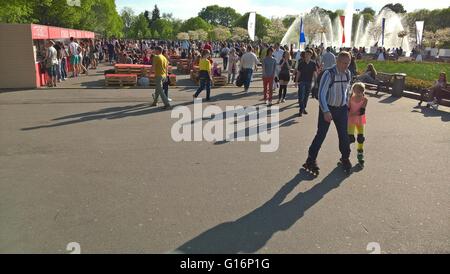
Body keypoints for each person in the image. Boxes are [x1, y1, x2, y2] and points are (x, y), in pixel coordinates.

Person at [302, 51, 353, 175]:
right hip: (328, 108)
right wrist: (325, 111)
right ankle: (311, 159)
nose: (346, 66)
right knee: (321, 134)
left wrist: (347, 105)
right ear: (337, 61)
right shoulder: (329, 74)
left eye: (348, 63)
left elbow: (347, 90)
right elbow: (321, 94)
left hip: (341, 109)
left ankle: (345, 157)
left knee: (344, 135)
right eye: (343, 63)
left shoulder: (348, 73)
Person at [347, 82, 368, 166]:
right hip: (351, 120)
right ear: (354, 90)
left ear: (362, 91)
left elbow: (361, 111)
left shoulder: (365, 100)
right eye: (356, 90)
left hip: (360, 120)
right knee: (350, 138)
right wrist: (348, 114)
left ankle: (360, 155)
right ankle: (345, 154)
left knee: (360, 138)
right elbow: (347, 109)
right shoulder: (350, 98)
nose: (358, 92)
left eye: (360, 90)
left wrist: (352, 114)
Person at [295, 49, 318, 117]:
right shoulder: (301, 63)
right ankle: (301, 109)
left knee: (306, 96)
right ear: (305, 55)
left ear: (311, 55)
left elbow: (314, 73)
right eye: (306, 54)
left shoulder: (313, 63)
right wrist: (296, 81)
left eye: (309, 54)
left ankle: (303, 108)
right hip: (301, 81)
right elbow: (298, 73)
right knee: (301, 96)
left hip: (309, 81)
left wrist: (316, 82)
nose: (307, 56)